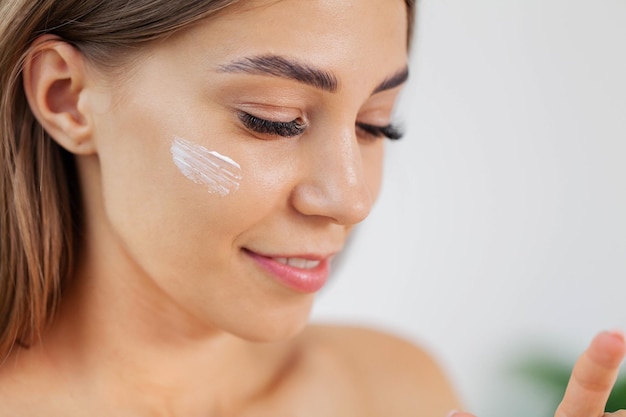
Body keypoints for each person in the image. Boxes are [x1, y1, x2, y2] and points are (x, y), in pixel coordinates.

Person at [0, 0, 623, 416]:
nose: (351, 201)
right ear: (68, 98)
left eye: (377, 125)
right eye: (272, 120)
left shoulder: (396, 393)